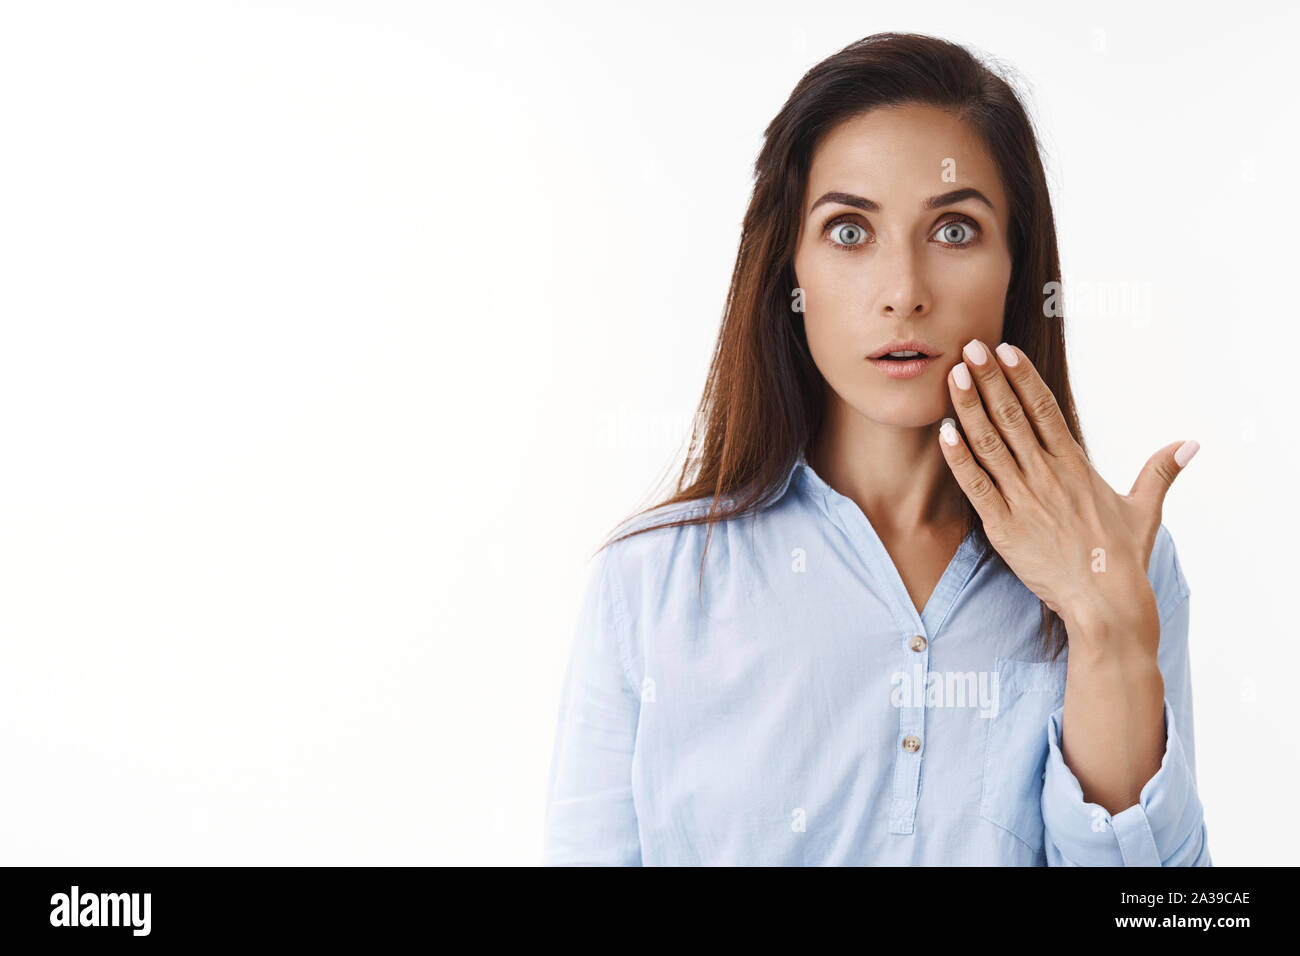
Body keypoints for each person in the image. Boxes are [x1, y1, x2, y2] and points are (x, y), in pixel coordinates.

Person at [542, 32, 1210, 866]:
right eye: (850, 231)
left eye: (955, 231)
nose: (904, 294)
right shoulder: (650, 584)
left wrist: (1107, 633)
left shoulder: (1125, 560)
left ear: (1017, 265)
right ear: (790, 267)